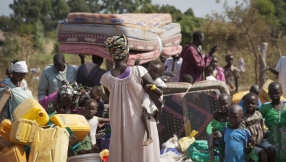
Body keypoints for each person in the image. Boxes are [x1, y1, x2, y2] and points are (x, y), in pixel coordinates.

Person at [100, 34, 161, 161]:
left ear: (111, 55)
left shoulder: (105, 79)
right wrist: (157, 115)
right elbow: (156, 97)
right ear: (127, 52)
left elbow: (113, 100)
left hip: (120, 129)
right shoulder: (139, 71)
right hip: (143, 126)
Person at [243, 92, 276, 162]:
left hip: (262, 141)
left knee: (272, 150)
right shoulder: (243, 118)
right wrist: (259, 145)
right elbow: (246, 135)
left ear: (257, 104)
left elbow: (262, 123)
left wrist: (264, 129)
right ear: (244, 104)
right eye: (248, 103)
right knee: (263, 153)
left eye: (253, 103)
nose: (250, 105)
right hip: (252, 145)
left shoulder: (258, 114)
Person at [259, 82, 286, 161]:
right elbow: (258, 120)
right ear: (268, 94)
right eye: (272, 93)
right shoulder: (265, 108)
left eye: (277, 93)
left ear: (281, 92)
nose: (274, 95)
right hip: (271, 140)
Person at [141, 60, 165, 146]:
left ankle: (149, 136)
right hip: (149, 100)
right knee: (145, 115)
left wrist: (152, 87)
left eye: (155, 72)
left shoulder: (158, 81)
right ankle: (149, 135)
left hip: (154, 101)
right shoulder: (148, 78)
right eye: (150, 71)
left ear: (160, 74)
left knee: (147, 115)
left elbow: (160, 92)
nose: (152, 73)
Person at [211, 93, 232, 161]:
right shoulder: (217, 115)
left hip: (230, 142)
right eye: (220, 104)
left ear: (230, 103)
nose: (222, 106)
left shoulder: (233, 115)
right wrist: (215, 132)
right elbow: (211, 129)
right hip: (218, 144)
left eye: (224, 104)